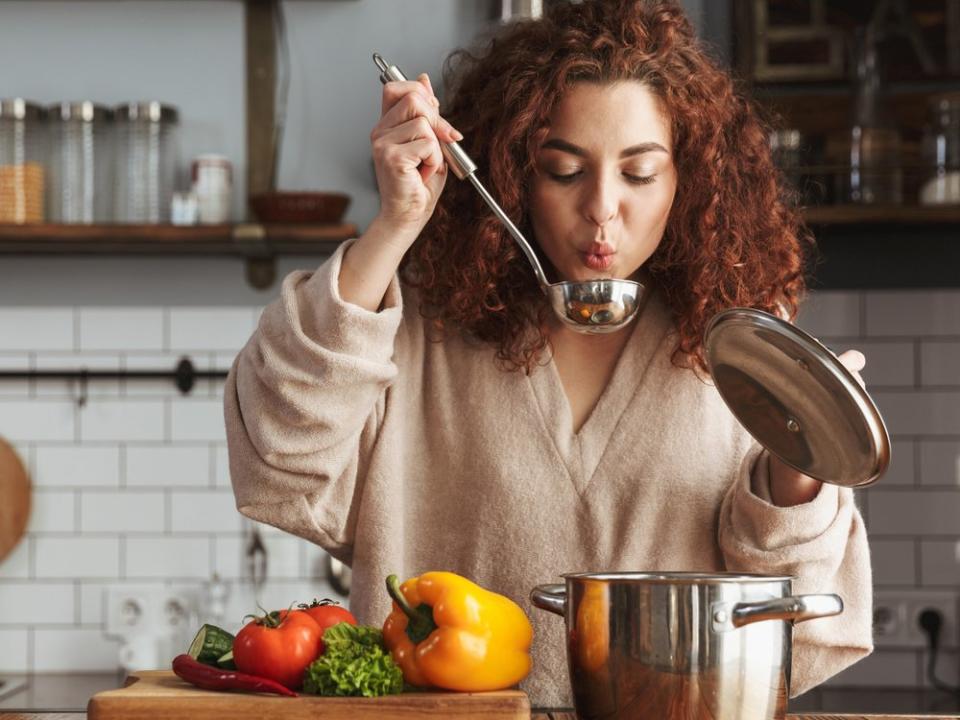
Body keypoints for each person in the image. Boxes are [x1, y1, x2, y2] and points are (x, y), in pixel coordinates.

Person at [224, 0, 872, 707]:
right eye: (564, 171)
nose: (601, 209)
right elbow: (279, 459)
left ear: (689, 181)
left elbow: (798, 607)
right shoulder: (418, 328)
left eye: (640, 174)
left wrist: (798, 463)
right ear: (511, 175)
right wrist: (396, 224)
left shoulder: (742, 345)